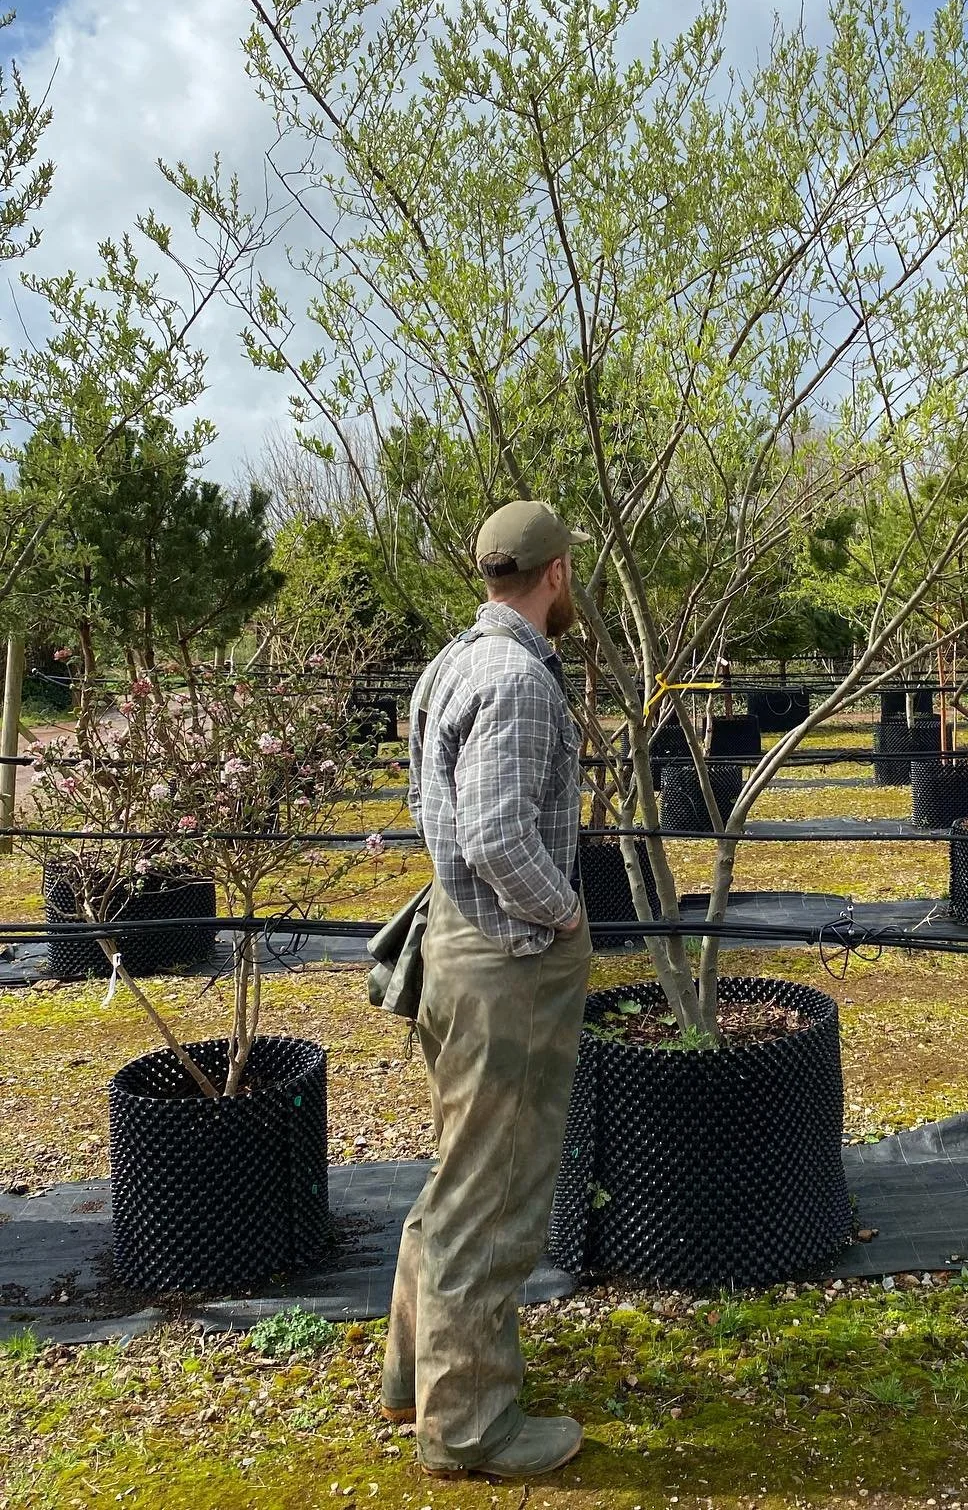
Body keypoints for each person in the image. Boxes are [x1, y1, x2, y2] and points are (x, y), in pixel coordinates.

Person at [381, 499, 593, 1480]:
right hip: (505, 964)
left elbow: (432, 811)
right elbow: (495, 834)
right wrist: (561, 915)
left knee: (457, 1175)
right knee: (493, 1193)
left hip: (455, 949)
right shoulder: (516, 680)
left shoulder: (450, 664)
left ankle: (413, 1377)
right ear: (554, 574)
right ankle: (469, 1428)